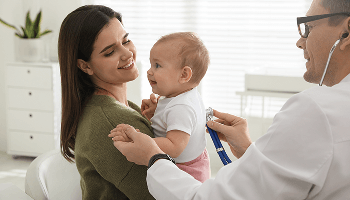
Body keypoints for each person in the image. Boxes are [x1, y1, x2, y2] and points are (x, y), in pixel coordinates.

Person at [108, 0, 350, 199]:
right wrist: (249, 150)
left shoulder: (317, 111)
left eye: (308, 27)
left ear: (346, 31)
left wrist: (153, 156)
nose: (300, 42)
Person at [59, 5, 155, 200]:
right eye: (110, 52)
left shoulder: (112, 108)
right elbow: (165, 194)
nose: (128, 53)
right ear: (85, 66)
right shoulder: (116, 123)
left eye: (126, 40)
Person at [110, 32, 211, 183]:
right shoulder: (183, 95)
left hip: (185, 170)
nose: (149, 71)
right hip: (194, 160)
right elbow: (176, 126)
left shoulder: (181, 107)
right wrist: (157, 115)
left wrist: (138, 140)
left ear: (184, 74)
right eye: (151, 64)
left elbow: (174, 146)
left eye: (157, 65)